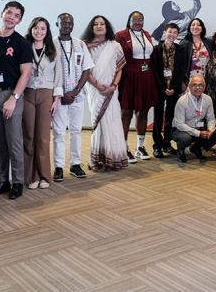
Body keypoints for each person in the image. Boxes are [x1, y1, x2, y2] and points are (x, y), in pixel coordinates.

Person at [0, 1, 33, 200]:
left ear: (20, 20)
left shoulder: (22, 43)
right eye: (9, 12)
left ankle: (17, 182)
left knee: (14, 142)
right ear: (2, 13)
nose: (11, 17)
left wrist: (14, 98)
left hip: (11, 95)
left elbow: (26, 73)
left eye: (16, 15)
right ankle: (3, 181)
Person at [81, 16, 129, 171]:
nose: (99, 26)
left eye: (102, 24)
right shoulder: (85, 46)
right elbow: (85, 70)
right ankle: (97, 159)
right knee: (98, 122)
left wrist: (113, 86)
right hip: (94, 90)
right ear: (91, 27)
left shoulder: (114, 46)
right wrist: (98, 85)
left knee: (112, 121)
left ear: (107, 27)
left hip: (111, 90)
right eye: (96, 24)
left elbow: (119, 69)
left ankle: (113, 158)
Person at [52, 13, 93, 182]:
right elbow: (49, 71)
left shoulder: (80, 44)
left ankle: (75, 164)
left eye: (70, 23)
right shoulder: (51, 44)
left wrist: (75, 91)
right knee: (59, 132)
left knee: (76, 130)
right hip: (58, 96)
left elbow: (86, 69)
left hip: (77, 96)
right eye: (63, 22)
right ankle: (58, 167)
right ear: (57, 24)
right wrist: (61, 93)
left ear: (73, 25)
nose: (67, 25)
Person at [22, 17, 62, 190]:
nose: (39, 31)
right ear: (31, 29)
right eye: (36, 28)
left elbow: (59, 76)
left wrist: (56, 99)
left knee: (43, 137)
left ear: (47, 32)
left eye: (43, 28)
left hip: (46, 94)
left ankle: (44, 175)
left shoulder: (53, 51)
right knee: (29, 136)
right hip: (27, 93)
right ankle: (32, 176)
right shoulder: (24, 48)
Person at [115, 11, 158, 162]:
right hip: (129, 76)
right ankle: (123, 148)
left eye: (141, 19)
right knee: (126, 112)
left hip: (146, 75)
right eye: (135, 20)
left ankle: (140, 147)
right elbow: (115, 57)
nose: (138, 22)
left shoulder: (147, 34)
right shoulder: (121, 35)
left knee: (143, 111)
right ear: (129, 21)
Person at [150, 23, 186, 158]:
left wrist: (174, 88)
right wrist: (163, 88)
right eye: (170, 32)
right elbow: (154, 71)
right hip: (159, 88)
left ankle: (167, 143)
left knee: (170, 117)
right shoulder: (156, 49)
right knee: (158, 117)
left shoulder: (181, 50)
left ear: (177, 35)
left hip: (174, 88)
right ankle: (157, 145)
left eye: (175, 32)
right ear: (165, 32)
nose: (172, 35)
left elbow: (182, 71)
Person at [172, 76, 216, 163]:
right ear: (189, 87)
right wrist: (198, 133)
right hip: (181, 130)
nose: (198, 87)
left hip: (199, 127)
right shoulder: (182, 101)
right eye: (194, 85)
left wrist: (210, 129)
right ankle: (180, 150)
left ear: (204, 87)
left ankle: (196, 148)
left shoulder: (208, 99)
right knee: (185, 138)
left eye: (200, 85)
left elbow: (211, 118)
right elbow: (180, 124)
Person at [181, 18, 213, 85]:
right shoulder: (184, 44)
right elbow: (180, 65)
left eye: (198, 25)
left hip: (207, 80)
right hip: (189, 81)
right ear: (189, 28)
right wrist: (182, 81)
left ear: (202, 28)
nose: (195, 27)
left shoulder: (209, 43)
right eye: (193, 25)